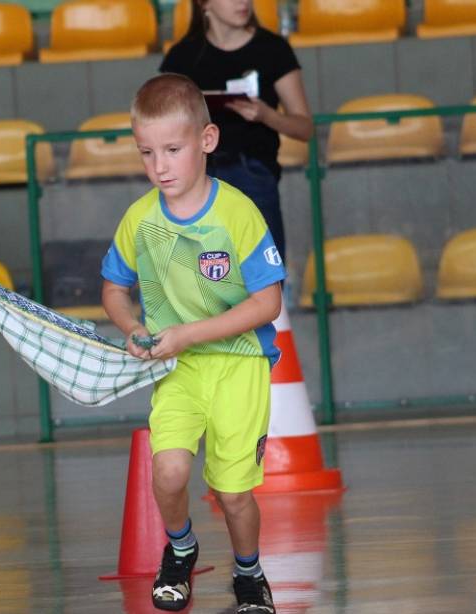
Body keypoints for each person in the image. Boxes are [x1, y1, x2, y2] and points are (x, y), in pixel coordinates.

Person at [101, 73, 285, 613]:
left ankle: (249, 572)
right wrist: (132, 326)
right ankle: (180, 549)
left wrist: (186, 334)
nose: (159, 166)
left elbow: (266, 304)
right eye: (147, 153)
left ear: (206, 142)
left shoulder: (238, 214)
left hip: (239, 365)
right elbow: (114, 289)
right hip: (178, 369)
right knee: (170, 470)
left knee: (233, 493)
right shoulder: (139, 219)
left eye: (172, 150)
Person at [160, 0, 313, 261]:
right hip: (197, 177)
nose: (243, 2)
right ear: (205, 4)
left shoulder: (272, 49)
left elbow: (305, 127)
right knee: (202, 284)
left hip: (252, 175)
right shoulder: (182, 57)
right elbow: (161, 124)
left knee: (263, 281)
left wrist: (267, 115)